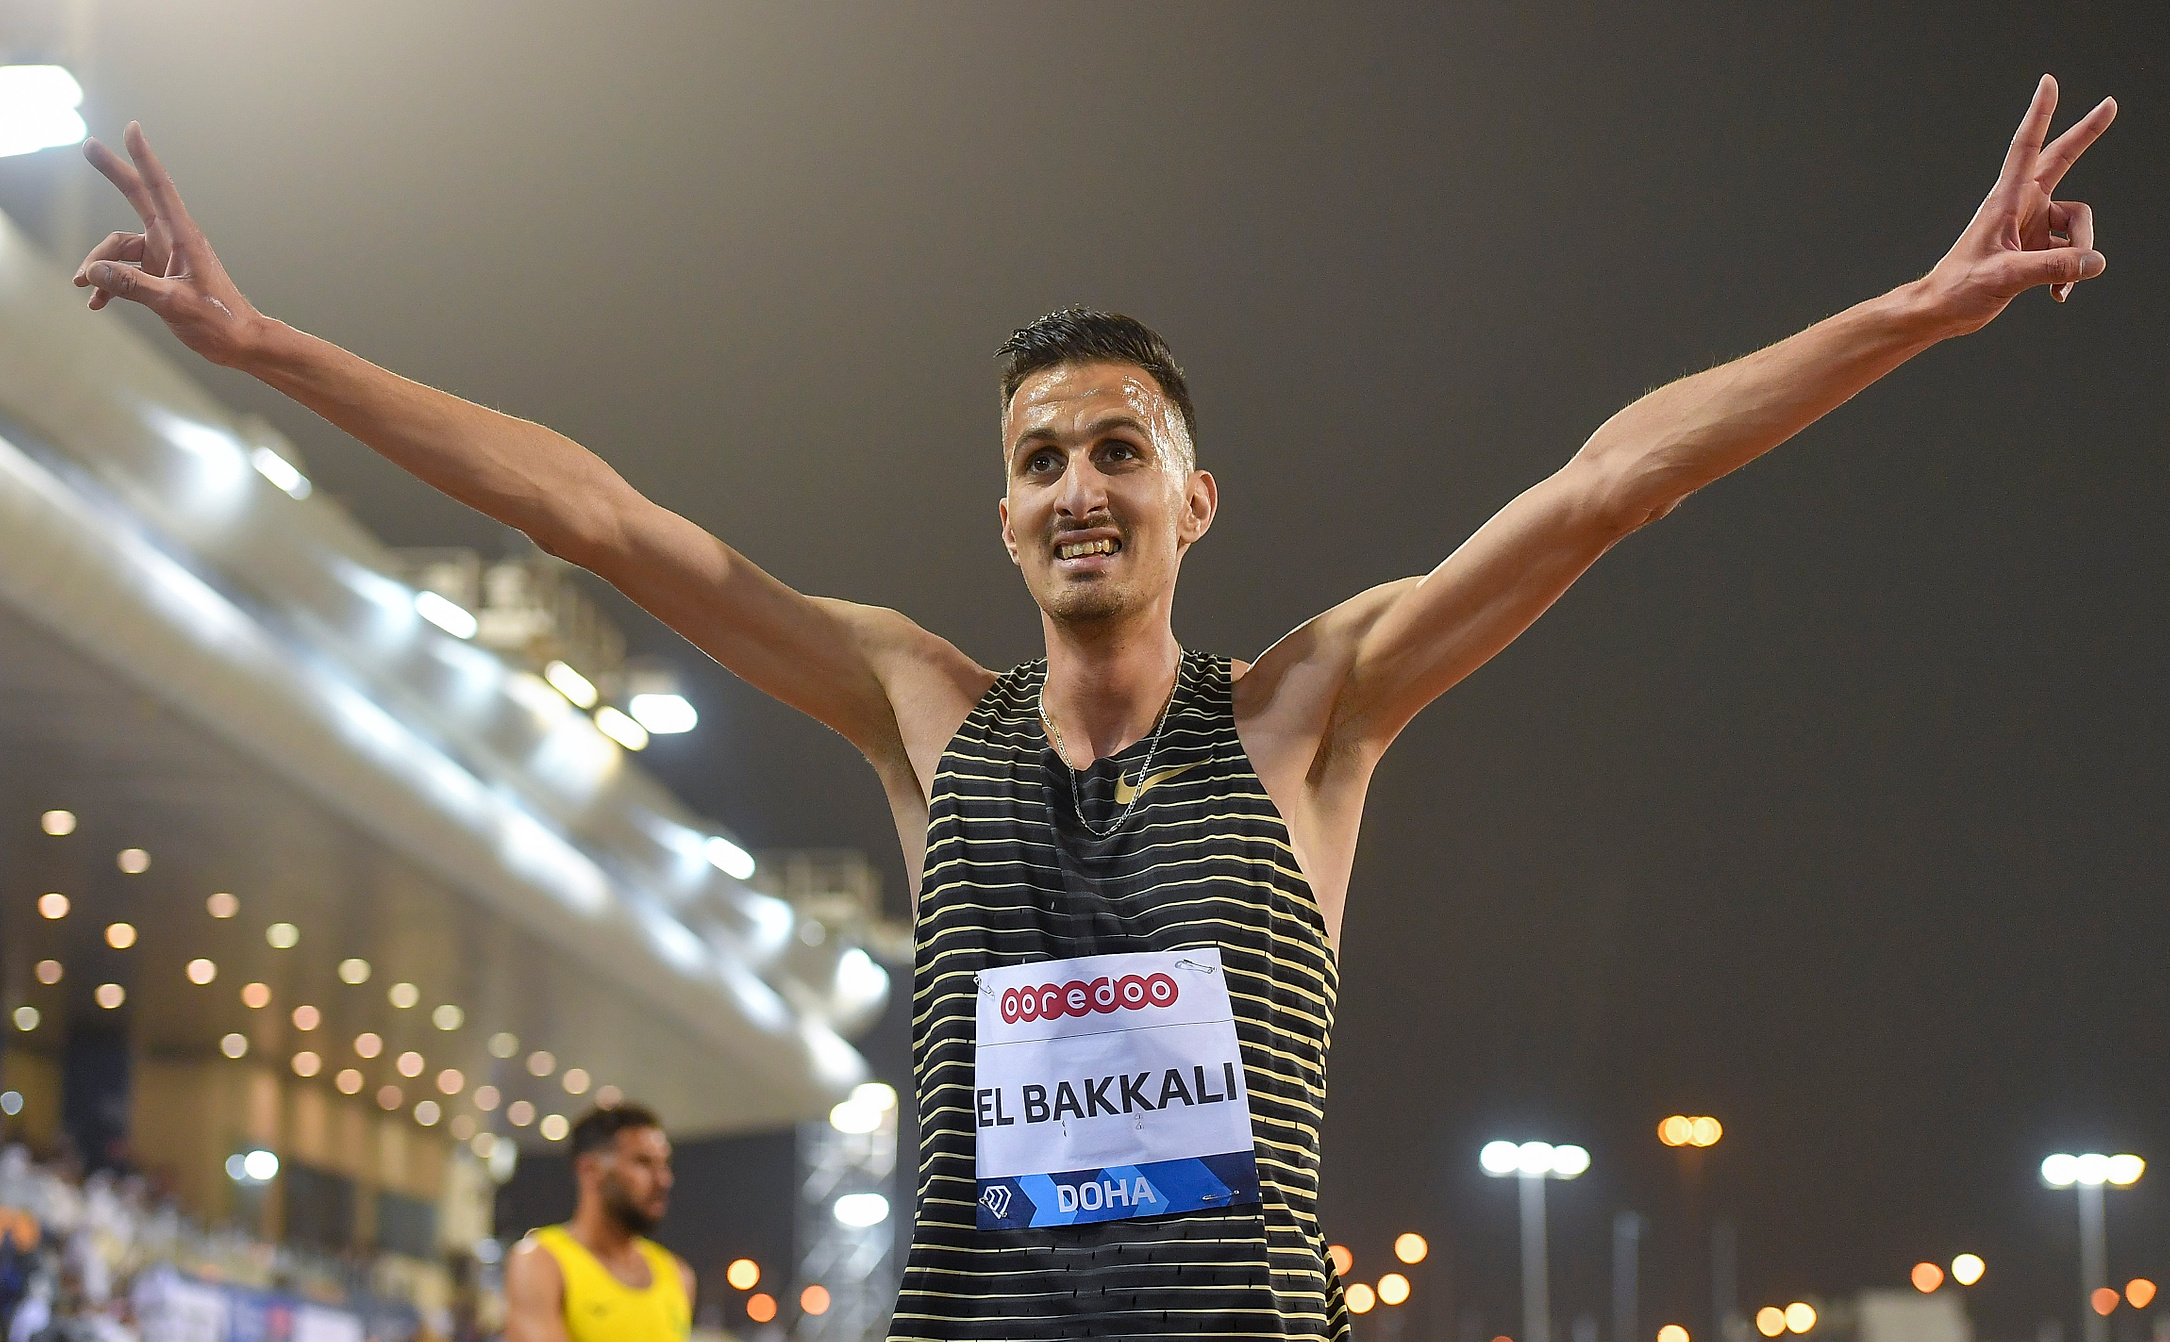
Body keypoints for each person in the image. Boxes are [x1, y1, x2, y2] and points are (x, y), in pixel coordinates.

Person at [73, 75, 2113, 1341]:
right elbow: (604, 519)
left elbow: (1610, 482)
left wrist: (1909, 313)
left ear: (1189, 499)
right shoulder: (906, 705)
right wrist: (268, 350)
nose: (1075, 485)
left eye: (1117, 450)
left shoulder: (1316, 708)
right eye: (1040, 454)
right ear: (1000, 505)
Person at [502, 1106, 691, 1342]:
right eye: (643, 1162)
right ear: (590, 1170)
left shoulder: (677, 1275)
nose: (663, 1180)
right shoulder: (541, 1262)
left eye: (664, 1165)